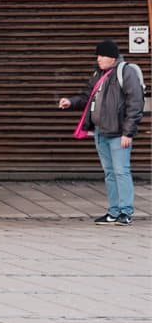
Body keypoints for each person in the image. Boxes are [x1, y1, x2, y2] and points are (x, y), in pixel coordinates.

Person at [59, 38, 143, 224]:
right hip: (100, 132)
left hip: (118, 133)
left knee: (121, 171)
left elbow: (135, 105)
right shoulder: (98, 74)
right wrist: (71, 102)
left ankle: (125, 212)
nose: (99, 59)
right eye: (98, 55)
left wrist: (127, 133)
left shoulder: (125, 73)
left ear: (113, 57)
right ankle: (113, 211)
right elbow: (86, 97)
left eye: (102, 55)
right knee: (110, 173)